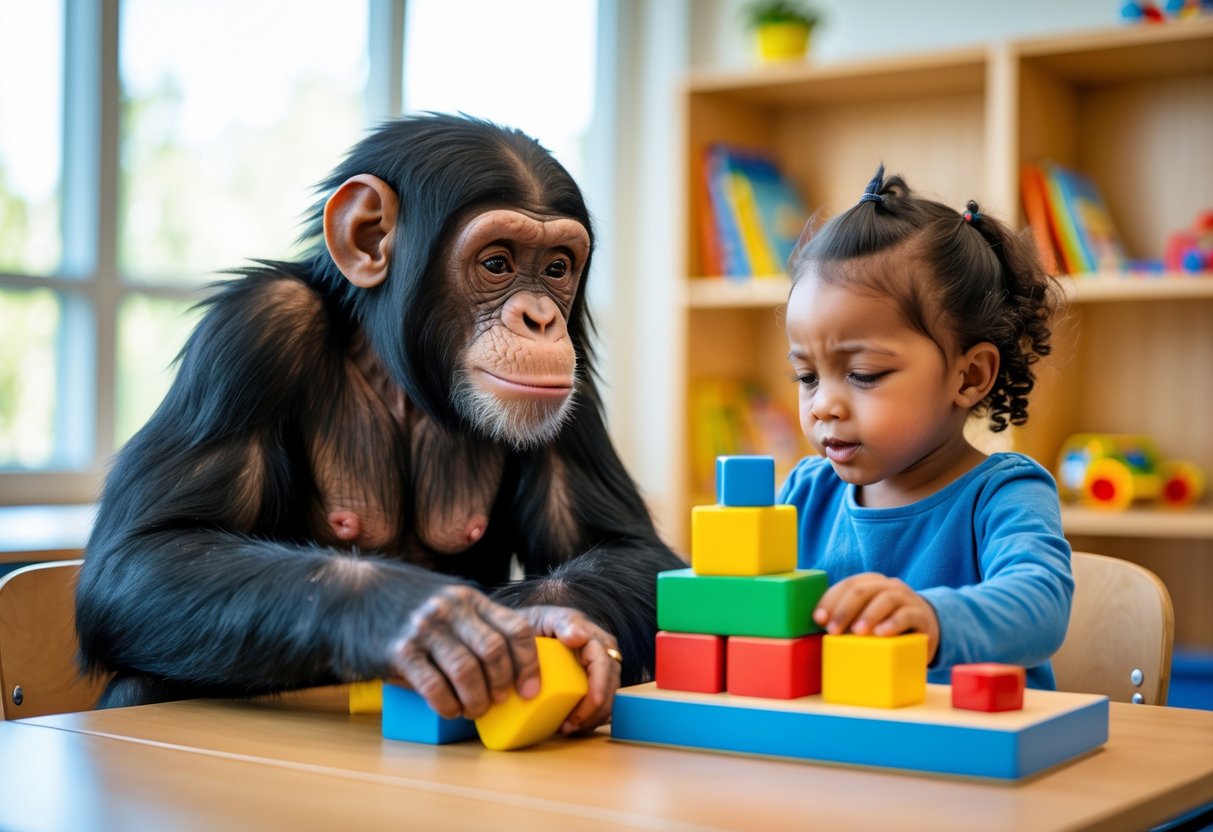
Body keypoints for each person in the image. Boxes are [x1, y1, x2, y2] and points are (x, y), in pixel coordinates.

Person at [778, 165, 1073, 689]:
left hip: (974, 756)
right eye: (806, 376)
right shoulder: (805, 494)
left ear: (970, 375)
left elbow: (1041, 605)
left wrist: (933, 620)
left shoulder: (1003, 493)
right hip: (845, 751)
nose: (823, 405)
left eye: (863, 375)